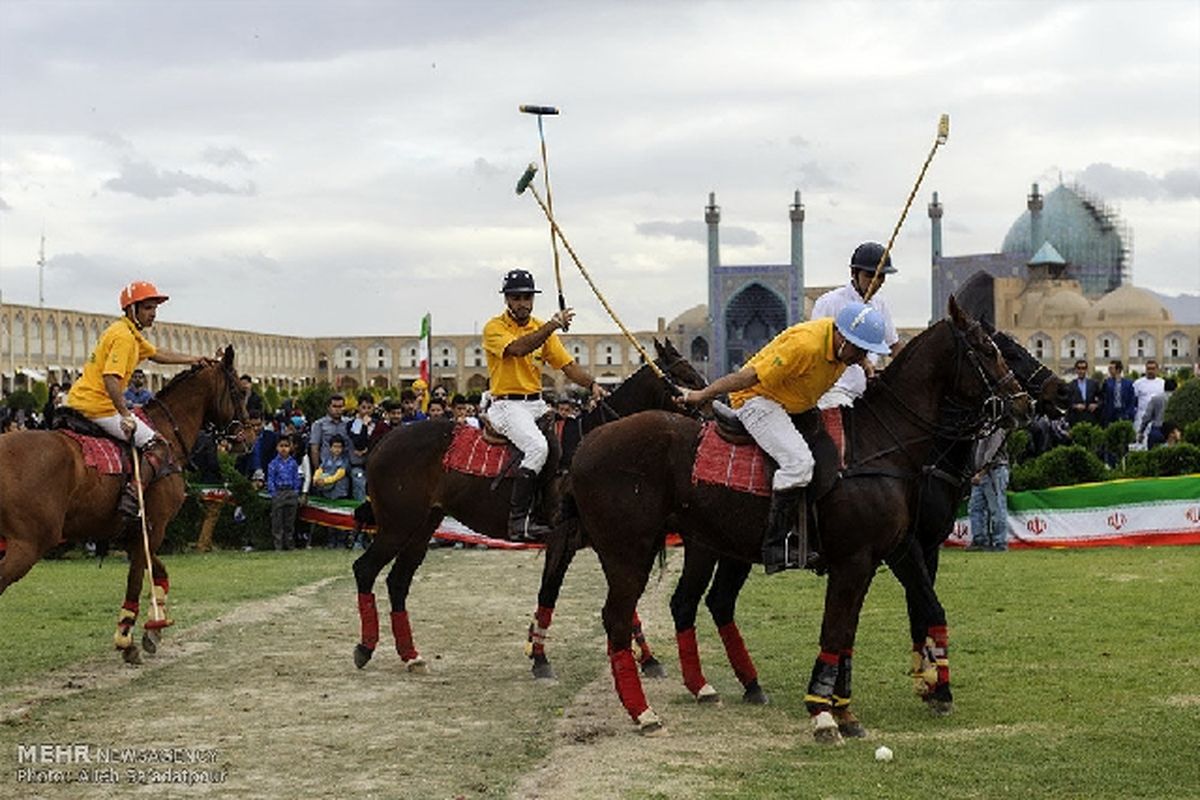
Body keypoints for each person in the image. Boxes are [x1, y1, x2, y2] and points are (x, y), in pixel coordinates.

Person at [678, 301, 891, 573]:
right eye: (859, 349)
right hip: (756, 400)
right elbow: (748, 377)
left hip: (795, 404)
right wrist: (701, 395)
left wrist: (865, 364)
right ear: (842, 337)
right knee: (798, 464)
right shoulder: (805, 346)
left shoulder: (842, 344)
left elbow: (854, 352)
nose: (860, 355)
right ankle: (775, 545)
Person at [64, 280, 208, 517]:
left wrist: (193, 359)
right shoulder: (124, 337)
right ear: (132, 310)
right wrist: (125, 414)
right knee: (158, 444)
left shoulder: (127, 332)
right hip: (98, 405)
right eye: (148, 308)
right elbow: (111, 377)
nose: (153, 314)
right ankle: (133, 497)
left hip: (81, 399)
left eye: (154, 309)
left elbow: (158, 354)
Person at [483, 268, 606, 540]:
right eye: (516, 297)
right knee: (537, 448)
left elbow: (568, 366)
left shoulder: (542, 329)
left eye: (527, 297)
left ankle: (547, 509)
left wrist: (592, 384)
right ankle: (518, 523)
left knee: (562, 447)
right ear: (506, 299)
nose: (522, 302)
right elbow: (518, 348)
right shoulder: (494, 327)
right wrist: (552, 324)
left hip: (536, 403)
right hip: (506, 405)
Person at [811, 242, 901, 409]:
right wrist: (861, 358)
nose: (877, 282)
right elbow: (817, 346)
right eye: (870, 275)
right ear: (854, 273)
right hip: (834, 389)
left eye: (881, 276)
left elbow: (893, 346)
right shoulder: (829, 302)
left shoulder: (879, 304)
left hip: (866, 391)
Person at [967, 427, 1010, 551]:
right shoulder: (982, 429)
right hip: (981, 473)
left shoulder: (997, 430)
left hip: (994, 471)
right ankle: (979, 539)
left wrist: (980, 473)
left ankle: (999, 543)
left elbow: (991, 454)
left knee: (996, 507)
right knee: (975, 507)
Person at [267, 436, 304, 551]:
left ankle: (290, 545)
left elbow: (296, 478)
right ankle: (278, 546)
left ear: (290, 447)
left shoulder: (293, 463)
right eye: (281, 446)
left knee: (290, 521)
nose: (284, 449)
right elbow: (270, 479)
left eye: (286, 446)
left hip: (291, 492)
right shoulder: (273, 464)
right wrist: (273, 493)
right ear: (277, 448)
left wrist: (296, 491)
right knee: (277, 521)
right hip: (279, 492)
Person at [346, 392, 375, 500]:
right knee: (360, 485)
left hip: (372, 463)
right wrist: (364, 426)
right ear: (358, 407)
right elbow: (358, 443)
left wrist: (368, 449)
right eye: (363, 407)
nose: (366, 411)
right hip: (357, 465)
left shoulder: (376, 424)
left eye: (369, 407)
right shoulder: (353, 424)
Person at [1132, 360, 1165, 439]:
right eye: (1148, 369)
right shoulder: (1138, 383)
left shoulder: (1162, 383)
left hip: (1158, 418)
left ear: (1157, 369)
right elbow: (1134, 400)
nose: (1150, 371)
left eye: (1153, 369)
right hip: (1142, 415)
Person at [1099, 360, 1136, 427]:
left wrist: (1129, 413)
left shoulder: (1128, 383)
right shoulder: (1107, 383)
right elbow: (1103, 397)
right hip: (1110, 413)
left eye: (1111, 368)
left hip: (1123, 412)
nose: (1109, 370)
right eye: (1109, 368)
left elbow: (1132, 399)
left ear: (1118, 369)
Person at [1065, 359, 1100, 426]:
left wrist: (1096, 405)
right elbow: (1066, 402)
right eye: (1079, 368)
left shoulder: (1094, 384)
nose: (1081, 371)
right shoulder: (1070, 385)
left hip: (1091, 418)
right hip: (1076, 419)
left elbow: (1102, 398)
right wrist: (1075, 406)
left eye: (1083, 368)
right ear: (1076, 370)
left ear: (1086, 370)